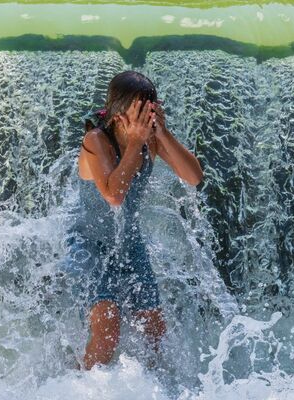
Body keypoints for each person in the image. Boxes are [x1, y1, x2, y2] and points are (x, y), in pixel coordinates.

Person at [70, 71, 203, 370]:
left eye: (150, 110)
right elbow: (114, 196)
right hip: (90, 242)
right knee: (108, 330)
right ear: (118, 114)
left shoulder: (150, 140)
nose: (146, 118)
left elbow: (194, 177)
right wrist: (134, 143)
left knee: (154, 331)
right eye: (139, 112)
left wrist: (163, 133)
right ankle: (80, 385)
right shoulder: (96, 140)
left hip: (129, 243)